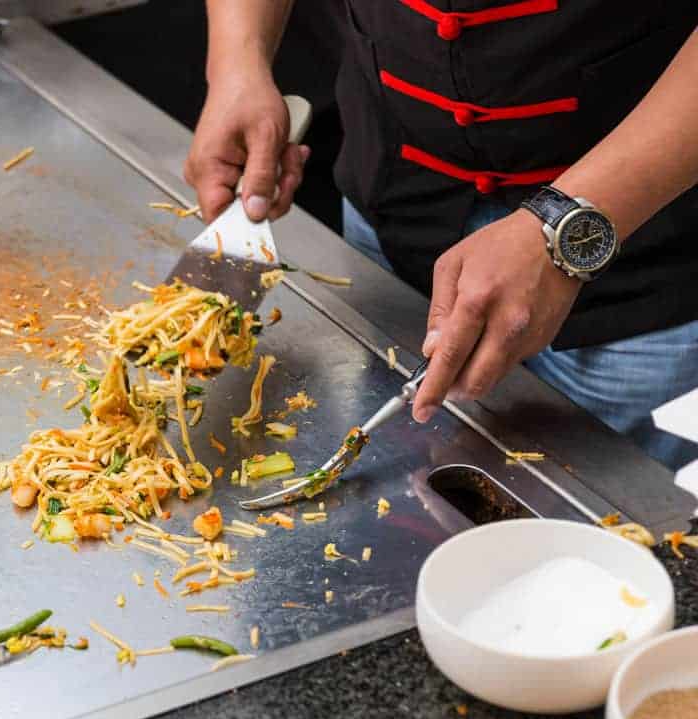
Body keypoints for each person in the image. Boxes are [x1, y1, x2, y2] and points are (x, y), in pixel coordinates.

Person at [185, 1, 698, 469]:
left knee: (614, 533)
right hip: (393, 211)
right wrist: (236, 65)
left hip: (642, 254)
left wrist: (566, 221)